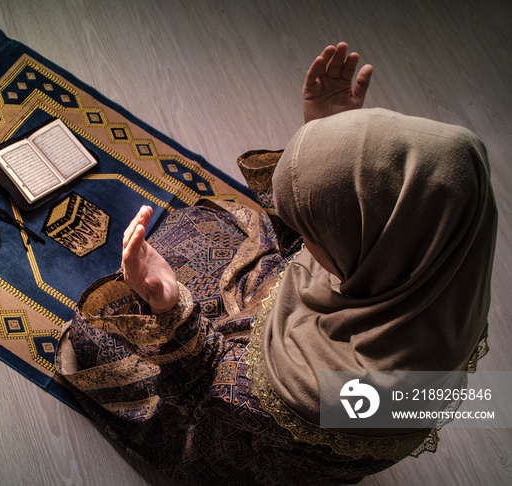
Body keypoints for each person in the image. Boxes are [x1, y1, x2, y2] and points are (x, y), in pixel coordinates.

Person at [55, 42, 497, 485]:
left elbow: (206, 384)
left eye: (320, 234)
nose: (305, 240)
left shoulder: (313, 390)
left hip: (241, 431)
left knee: (90, 339)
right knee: (216, 221)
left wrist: (171, 307)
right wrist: (329, 134)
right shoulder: (442, 265)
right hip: (297, 386)